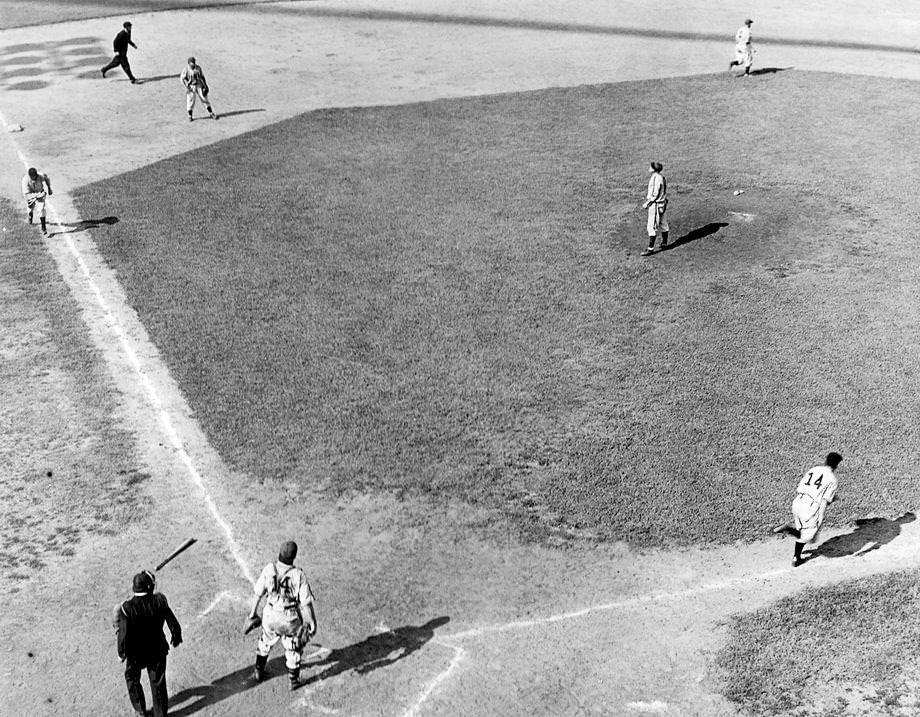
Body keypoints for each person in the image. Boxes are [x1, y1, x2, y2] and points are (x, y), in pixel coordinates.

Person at [246, 540, 317, 690]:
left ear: (279, 554)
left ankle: (259, 671)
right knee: (293, 647)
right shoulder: (299, 575)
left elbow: (258, 594)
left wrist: (252, 614)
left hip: (271, 615)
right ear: (294, 557)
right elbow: (306, 604)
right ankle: (293, 680)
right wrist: (311, 622)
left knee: (265, 641)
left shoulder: (269, 569)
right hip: (290, 619)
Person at [116, 570, 182, 717]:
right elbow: (173, 622)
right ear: (149, 587)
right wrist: (176, 636)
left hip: (135, 653)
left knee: (132, 679)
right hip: (157, 650)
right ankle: (160, 714)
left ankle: (140, 710)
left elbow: (123, 634)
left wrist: (121, 653)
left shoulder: (126, 608)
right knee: (158, 681)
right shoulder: (160, 600)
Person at [773, 452, 843, 567]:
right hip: (809, 508)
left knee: (805, 533)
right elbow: (824, 502)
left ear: (826, 460)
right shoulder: (832, 479)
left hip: (797, 502)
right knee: (810, 537)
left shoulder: (814, 469)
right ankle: (796, 556)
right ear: (836, 465)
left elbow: (805, 487)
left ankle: (790, 534)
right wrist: (820, 518)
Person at [641, 161, 668, 256]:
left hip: (656, 205)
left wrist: (647, 204)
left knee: (652, 226)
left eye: (650, 167)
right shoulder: (661, 177)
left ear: (654, 169)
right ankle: (664, 243)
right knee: (663, 223)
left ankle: (650, 249)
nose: (649, 168)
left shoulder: (656, 178)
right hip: (662, 204)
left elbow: (654, 194)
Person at [180, 57, 219, 122]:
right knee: (190, 101)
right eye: (191, 63)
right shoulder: (186, 69)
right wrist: (187, 86)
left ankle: (211, 113)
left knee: (205, 99)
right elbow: (182, 79)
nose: (193, 64)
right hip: (191, 87)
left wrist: (205, 85)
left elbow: (202, 77)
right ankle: (190, 116)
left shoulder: (198, 68)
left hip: (199, 85)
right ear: (188, 63)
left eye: (193, 63)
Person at [21, 167, 52, 236]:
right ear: (30, 176)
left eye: (35, 176)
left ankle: (43, 228)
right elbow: (26, 195)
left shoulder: (40, 176)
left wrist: (49, 188)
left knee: (41, 209)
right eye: (33, 177)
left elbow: (47, 178)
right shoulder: (25, 180)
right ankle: (30, 215)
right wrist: (37, 195)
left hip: (39, 192)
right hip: (30, 195)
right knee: (30, 208)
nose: (34, 178)